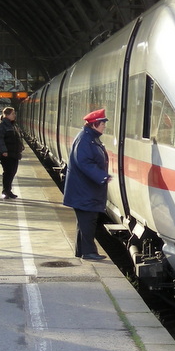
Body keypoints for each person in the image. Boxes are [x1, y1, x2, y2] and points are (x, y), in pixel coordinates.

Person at [62, 109, 111, 261]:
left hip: (85, 189)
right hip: (84, 190)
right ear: (94, 124)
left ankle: (81, 250)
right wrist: (102, 177)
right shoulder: (85, 139)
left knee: (84, 221)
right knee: (88, 221)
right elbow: (84, 162)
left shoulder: (90, 137)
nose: (104, 126)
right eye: (102, 124)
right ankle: (89, 252)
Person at [0, 106, 22, 199]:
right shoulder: (2, 125)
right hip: (7, 154)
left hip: (14, 153)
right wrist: (4, 150)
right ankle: (6, 191)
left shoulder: (13, 125)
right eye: (13, 114)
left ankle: (8, 190)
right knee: (8, 172)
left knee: (12, 172)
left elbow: (17, 137)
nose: (15, 115)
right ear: (7, 115)